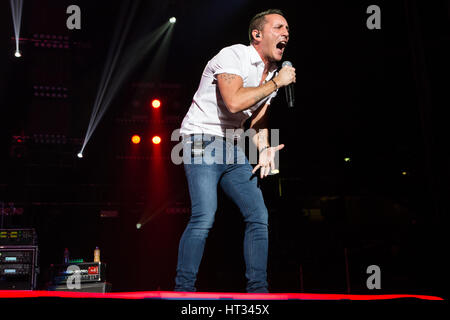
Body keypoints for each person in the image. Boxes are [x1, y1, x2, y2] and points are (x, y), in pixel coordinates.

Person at [174, 9, 296, 293]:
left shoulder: (273, 74)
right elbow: (234, 103)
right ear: (257, 35)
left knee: (258, 215)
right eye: (278, 27)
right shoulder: (233, 56)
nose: (286, 33)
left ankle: (258, 291)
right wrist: (276, 83)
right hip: (201, 138)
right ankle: (182, 291)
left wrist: (264, 148)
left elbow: (258, 117)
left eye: (287, 29)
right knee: (205, 216)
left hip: (232, 144)